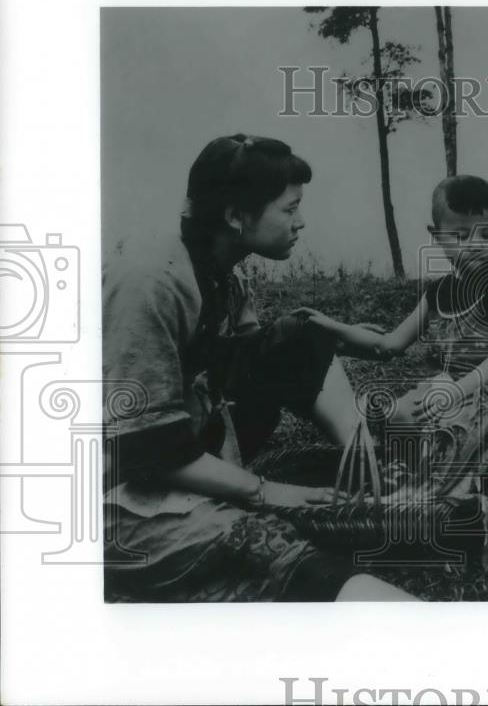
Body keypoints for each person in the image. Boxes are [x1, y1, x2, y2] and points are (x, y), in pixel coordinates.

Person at [103, 133, 416, 602]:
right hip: (120, 486)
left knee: (300, 335)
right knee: (283, 561)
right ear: (235, 216)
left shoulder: (221, 273)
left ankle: (363, 465)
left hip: (188, 445)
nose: (301, 222)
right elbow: (145, 444)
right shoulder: (152, 281)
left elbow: (252, 365)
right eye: (289, 210)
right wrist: (266, 491)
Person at [300, 175, 488, 426]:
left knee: (448, 427)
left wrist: (454, 392)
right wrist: (332, 326)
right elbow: (388, 344)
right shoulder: (438, 292)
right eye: (461, 236)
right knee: (398, 415)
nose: (477, 245)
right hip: (458, 391)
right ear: (436, 235)